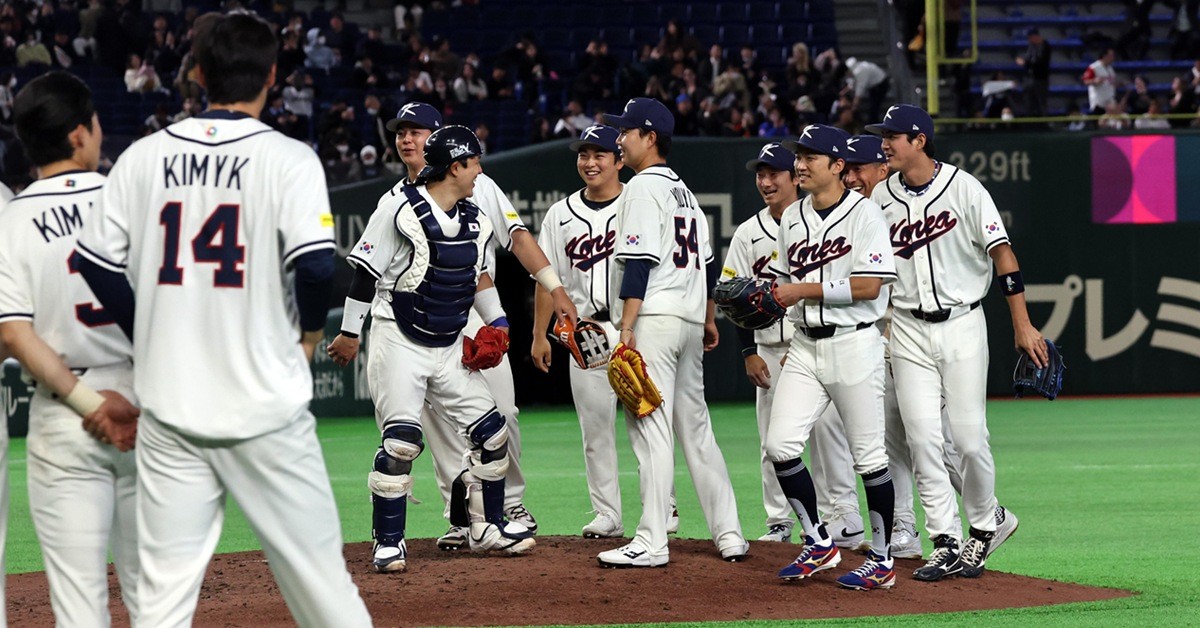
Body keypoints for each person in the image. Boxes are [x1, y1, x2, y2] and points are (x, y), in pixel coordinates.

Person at [74, 13, 372, 626]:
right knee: (325, 593)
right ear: (271, 74)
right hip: (266, 411)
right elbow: (317, 268)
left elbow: (97, 266)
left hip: (170, 414)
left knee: (161, 604)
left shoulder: (142, 157)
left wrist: (147, 336)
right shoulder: (288, 158)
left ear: (199, 74)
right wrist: (312, 332)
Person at [327, 101, 578, 553]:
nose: (406, 138)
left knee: (498, 421)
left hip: (464, 321)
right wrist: (350, 331)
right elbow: (364, 272)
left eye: (417, 130)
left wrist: (508, 316)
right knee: (410, 437)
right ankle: (438, 526)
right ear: (456, 162)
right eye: (401, 131)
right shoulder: (396, 206)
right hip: (403, 327)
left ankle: (500, 514)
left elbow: (498, 256)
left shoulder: (477, 197)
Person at [0, 71, 141, 627]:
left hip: (66, 409)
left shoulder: (11, 218)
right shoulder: (131, 201)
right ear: (79, 134)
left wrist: (89, 403)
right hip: (148, 406)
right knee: (158, 596)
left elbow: (11, 332)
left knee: (80, 607)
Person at [867, 104, 1028, 581]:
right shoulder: (880, 197)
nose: (885, 144)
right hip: (908, 328)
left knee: (970, 439)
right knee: (922, 440)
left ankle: (984, 525)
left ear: (919, 140)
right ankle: (946, 539)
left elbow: (1003, 255)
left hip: (962, 323)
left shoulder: (964, 188)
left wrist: (1022, 324)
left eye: (893, 136)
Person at [598, 97, 749, 567]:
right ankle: (730, 534)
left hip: (656, 321)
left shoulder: (642, 189)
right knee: (696, 430)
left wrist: (625, 327)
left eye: (627, 132)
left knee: (650, 428)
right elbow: (704, 265)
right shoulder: (685, 192)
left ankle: (652, 540)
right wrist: (706, 319)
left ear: (650, 138)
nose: (619, 138)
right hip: (685, 321)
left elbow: (639, 264)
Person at [765, 124, 898, 590]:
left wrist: (803, 289)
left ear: (839, 166)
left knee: (869, 458)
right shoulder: (792, 217)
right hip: (804, 345)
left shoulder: (865, 215)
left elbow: (870, 285)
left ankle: (881, 560)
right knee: (780, 445)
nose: (799, 164)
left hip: (854, 343)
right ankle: (819, 542)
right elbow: (783, 285)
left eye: (810, 157)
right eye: (798, 156)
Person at [530, 125, 625, 538]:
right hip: (584, 331)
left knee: (652, 421)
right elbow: (545, 275)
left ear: (619, 160)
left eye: (599, 154)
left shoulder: (639, 204)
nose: (589, 162)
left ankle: (666, 505)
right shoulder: (561, 213)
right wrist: (539, 334)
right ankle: (608, 514)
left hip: (632, 327)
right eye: (583, 154)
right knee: (595, 429)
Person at [720, 142, 801, 544]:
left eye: (774, 174)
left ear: (795, 177)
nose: (766, 182)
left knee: (829, 444)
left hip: (811, 343)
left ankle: (840, 520)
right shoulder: (749, 232)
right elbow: (732, 295)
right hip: (768, 347)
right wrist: (749, 352)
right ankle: (779, 522)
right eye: (760, 174)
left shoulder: (814, 222)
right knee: (772, 444)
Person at [1015, 29, 1051, 118]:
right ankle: (1029, 124)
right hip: (1029, 78)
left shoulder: (1045, 46)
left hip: (1040, 79)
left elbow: (1040, 61)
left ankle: (1044, 123)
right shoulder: (1031, 46)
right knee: (1028, 102)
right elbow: (1028, 57)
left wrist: (1025, 62)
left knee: (1041, 102)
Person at [1082, 48, 1118, 114]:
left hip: (1110, 102)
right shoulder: (1094, 67)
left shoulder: (1111, 69)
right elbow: (1085, 81)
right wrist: (1094, 81)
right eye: (1111, 56)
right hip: (1099, 103)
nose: (1113, 58)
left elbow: (1111, 83)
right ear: (1104, 56)